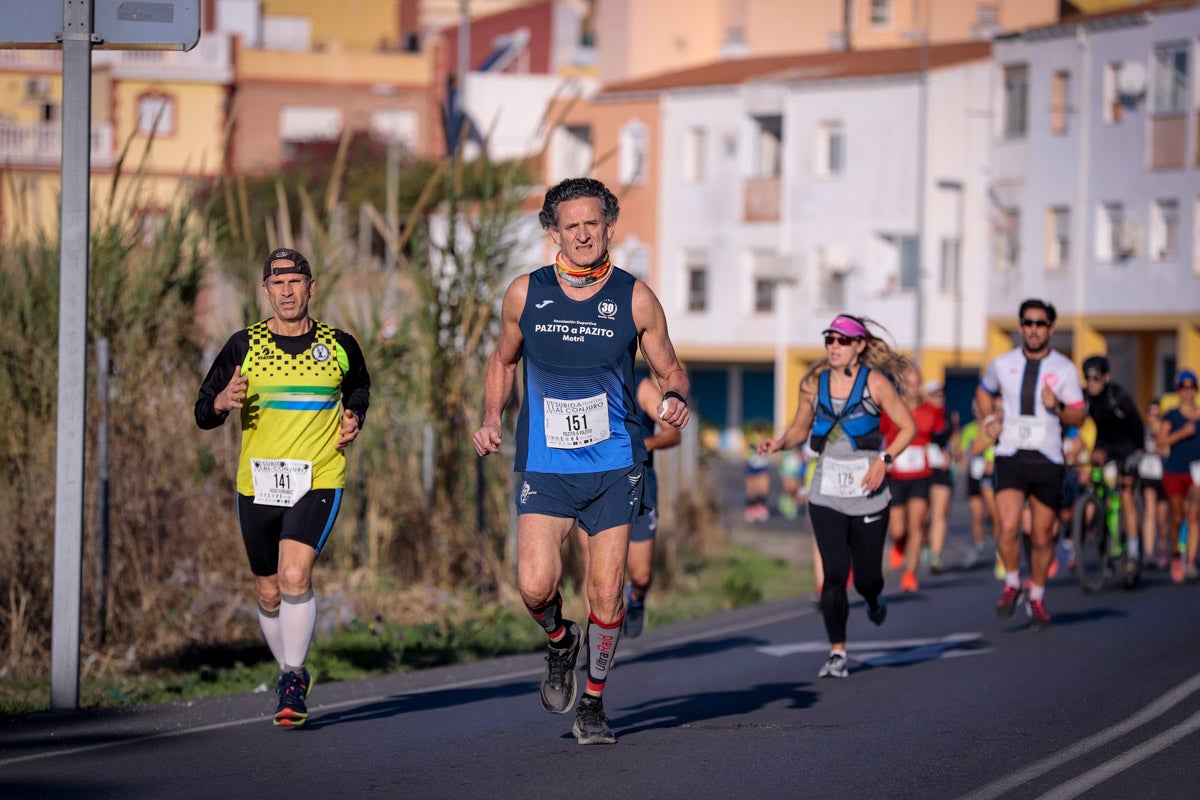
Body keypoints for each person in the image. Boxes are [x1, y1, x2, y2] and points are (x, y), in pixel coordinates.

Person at [472, 177, 690, 745]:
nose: (583, 234)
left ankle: (592, 703)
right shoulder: (525, 293)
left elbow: (671, 368)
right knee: (534, 586)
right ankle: (559, 641)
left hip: (615, 464)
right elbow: (502, 360)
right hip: (546, 465)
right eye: (571, 225)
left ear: (608, 227)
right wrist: (493, 418)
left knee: (606, 590)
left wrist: (675, 398)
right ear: (553, 233)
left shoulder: (635, 297)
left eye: (593, 223)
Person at [194, 247, 371, 727]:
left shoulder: (339, 344)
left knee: (296, 576)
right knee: (269, 592)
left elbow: (359, 385)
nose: (288, 291)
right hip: (258, 483)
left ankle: (292, 678)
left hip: (317, 477)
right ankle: (289, 668)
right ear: (266, 290)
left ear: (311, 288)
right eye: (278, 283)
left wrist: (354, 414)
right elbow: (202, 410)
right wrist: (222, 403)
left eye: (296, 282)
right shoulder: (242, 345)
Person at [758, 314, 914, 679]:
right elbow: (800, 427)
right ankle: (837, 652)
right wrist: (780, 443)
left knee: (867, 579)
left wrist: (884, 461)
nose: (834, 347)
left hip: (869, 491)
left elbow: (908, 427)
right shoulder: (814, 382)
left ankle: (874, 598)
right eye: (829, 340)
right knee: (834, 574)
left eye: (842, 341)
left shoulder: (876, 383)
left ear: (859, 345)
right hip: (826, 491)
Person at [976, 299, 1085, 631]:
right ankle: (1012, 583)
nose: (1033, 329)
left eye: (1040, 323)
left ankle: (1036, 594)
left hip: (1048, 457)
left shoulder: (1064, 368)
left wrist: (1059, 406)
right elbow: (983, 393)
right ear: (1021, 326)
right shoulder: (1002, 363)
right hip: (1010, 454)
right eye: (1027, 323)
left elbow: (1080, 414)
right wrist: (990, 419)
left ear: (1050, 328)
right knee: (1007, 526)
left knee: (1041, 537)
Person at [575, 373, 682, 640]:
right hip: (595, 486)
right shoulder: (584, 383)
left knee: (641, 575)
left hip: (639, 487)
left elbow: (673, 434)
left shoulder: (642, 387)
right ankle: (595, 640)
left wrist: (640, 446)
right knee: (592, 567)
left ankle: (635, 599)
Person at [1080, 354, 1146, 586]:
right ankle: (1099, 527)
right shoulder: (1085, 398)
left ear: (1106, 377)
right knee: (1092, 479)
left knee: (1127, 494)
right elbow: (1079, 427)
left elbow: (1138, 426)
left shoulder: (1119, 397)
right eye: (1088, 378)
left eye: (1097, 378)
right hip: (1104, 446)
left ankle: (1134, 554)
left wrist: (1138, 453)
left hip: (1128, 446)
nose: (1092, 383)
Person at [881, 366, 944, 593]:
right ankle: (899, 542)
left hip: (922, 475)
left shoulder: (932, 410)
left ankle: (910, 573)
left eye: (916, 383)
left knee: (917, 524)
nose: (912, 388)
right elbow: (881, 436)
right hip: (895, 475)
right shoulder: (891, 410)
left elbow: (940, 435)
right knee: (898, 529)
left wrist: (942, 453)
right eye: (907, 384)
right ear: (901, 386)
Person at [1158, 369, 1200, 583]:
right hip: (1174, 470)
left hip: (1197, 473)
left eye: (1191, 386)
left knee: (1194, 515)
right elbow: (1161, 442)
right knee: (1177, 517)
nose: (1188, 391)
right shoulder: (1172, 415)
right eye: (1184, 387)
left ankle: (1191, 562)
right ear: (1178, 390)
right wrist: (1183, 433)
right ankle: (1176, 555)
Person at [958, 400, 998, 569]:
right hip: (975, 473)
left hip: (992, 472)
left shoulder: (996, 424)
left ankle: (999, 545)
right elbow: (966, 452)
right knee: (976, 513)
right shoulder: (969, 429)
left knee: (994, 513)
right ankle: (980, 543)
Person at [924, 382, 956, 574]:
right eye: (934, 394)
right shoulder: (919, 412)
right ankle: (923, 544)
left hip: (942, 470)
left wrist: (952, 454)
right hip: (921, 468)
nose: (939, 397)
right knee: (922, 515)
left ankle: (935, 555)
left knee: (939, 512)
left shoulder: (949, 416)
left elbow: (954, 441)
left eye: (941, 394)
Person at [1140, 397, 1170, 570]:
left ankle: (1163, 545)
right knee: (1150, 512)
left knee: (1162, 517)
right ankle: (1149, 552)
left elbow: (1163, 445)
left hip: (1163, 473)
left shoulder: (1164, 428)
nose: (1153, 416)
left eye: (1156, 413)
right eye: (1150, 412)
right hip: (1148, 473)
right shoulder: (1144, 431)